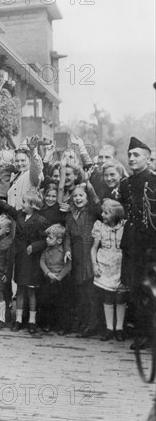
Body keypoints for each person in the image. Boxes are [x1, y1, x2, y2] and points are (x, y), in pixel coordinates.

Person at [0, 191, 48, 334]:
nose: (22, 205)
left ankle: (32, 321)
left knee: (31, 292)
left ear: (33, 205)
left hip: (33, 261)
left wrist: (34, 247)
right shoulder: (20, 215)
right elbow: (8, 208)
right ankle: (18, 320)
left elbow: (45, 240)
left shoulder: (40, 220)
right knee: (21, 290)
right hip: (21, 259)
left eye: (24, 202)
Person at [119, 136, 156, 350]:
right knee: (135, 289)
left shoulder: (154, 181)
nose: (131, 158)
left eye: (136, 155)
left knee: (149, 290)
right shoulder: (125, 184)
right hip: (132, 244)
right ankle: (141, 332)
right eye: (130, 155)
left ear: (148, 159)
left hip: (151, 245)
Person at [63, 184, 102, 338]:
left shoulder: (92, 212)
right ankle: (82, 322)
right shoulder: (69, 215)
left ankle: (93, 324)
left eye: (81, 196)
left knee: (90, 290)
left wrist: (90, 186)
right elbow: (66, 235)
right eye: (75, 196)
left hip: (90, 252)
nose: (78, 198)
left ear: (87, 198)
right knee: (80, 291)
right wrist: (67, 249)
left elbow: (96, 204)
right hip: (76, 253)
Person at [91, 199, 128, 342]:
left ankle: (119, 328)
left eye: (106, 213)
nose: (102, 215)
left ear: (115, 215)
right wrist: (94, 264)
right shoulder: (99, 226)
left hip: (120, 264)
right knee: (108, 295)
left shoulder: (124, 226)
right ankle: (109, 328)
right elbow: (94, 248)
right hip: (105, 263)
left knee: (120, 296)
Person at [38, 224, 72, 334]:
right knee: (47, 302)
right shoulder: (46, 250)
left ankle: (62, 326)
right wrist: (47, 273)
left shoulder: (64, 252)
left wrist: (59, 277)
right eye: (47, 237)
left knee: (61, 304)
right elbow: (42, 261)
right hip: (49, 279)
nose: (47, 239)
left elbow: (68, 266)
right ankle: (48, 324)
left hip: (61, 280)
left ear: (59, 241)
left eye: (50, 238)